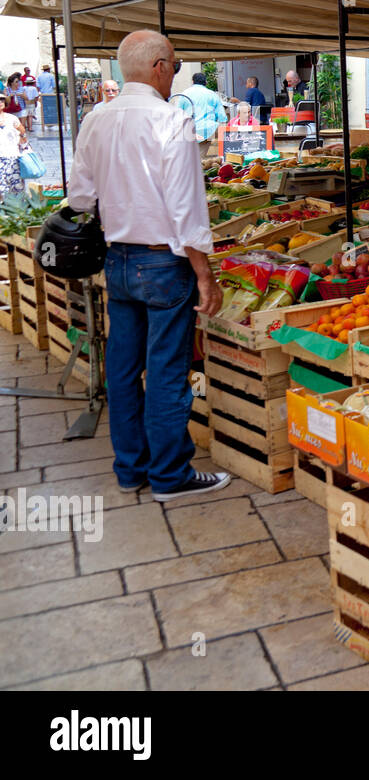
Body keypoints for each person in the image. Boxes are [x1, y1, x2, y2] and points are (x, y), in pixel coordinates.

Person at [66, 30, 229, 501]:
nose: (173, 74)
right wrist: (204, 274)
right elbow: (185, 211)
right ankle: (170, 476)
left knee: (122, 367)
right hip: (162, 263)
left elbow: (80, 197)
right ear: (159, 66)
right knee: (164, 369)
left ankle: (130, 468)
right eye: (174, 65)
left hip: (116, 260)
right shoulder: (170, 121)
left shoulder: (96, 120)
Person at [177, 72, 226, 142]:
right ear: (205, 82)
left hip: (189, 131)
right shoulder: (212, 94)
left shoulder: (184, 94)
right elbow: (222, 117)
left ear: (193, 82)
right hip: (208, 130)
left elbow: (178, 114)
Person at [0, 105, 27, 195]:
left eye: (2, 100)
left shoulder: (12, 118)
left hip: (13, 157)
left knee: (17, 187)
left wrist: (23, 143)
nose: (0, 102)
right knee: (1, 189)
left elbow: (22, 132)